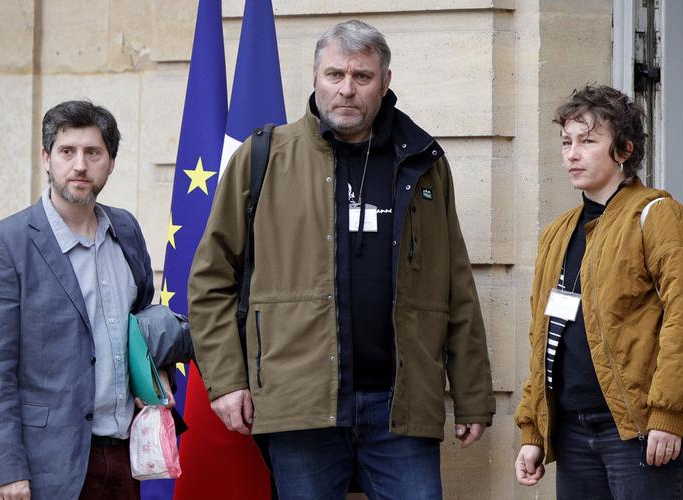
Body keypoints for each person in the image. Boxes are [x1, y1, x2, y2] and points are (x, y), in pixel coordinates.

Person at [188, 19, 495, 499]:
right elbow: (210, 281)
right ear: (314, 77)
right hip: (300, 404)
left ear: (385, 81)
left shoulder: (422, 161)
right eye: (334, 75)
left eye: (361, 77)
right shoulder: (263, 156)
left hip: (401, 406)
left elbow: (454, 284)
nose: (346, 90)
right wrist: (227, 382)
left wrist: (473, 395)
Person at [0, 100, 191, 500]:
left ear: (111, 162)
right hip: (49, 465)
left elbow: (141, 319)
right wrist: (7, 469)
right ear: (46, 158)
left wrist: (156, 373)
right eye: (67, 151)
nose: (79, 165)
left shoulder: (124, 228)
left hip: (125, 454)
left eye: (93, 152)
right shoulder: (5, 244)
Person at [512, 85, 683, 499]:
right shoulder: (558, 233)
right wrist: (534, 429)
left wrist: (667, 416)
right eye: (567, 142)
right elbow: (542, 337)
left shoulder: (659, 216)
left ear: (624, 150)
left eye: (588, 141)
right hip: (573, 432)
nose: (572, 153)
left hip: (639, 431)